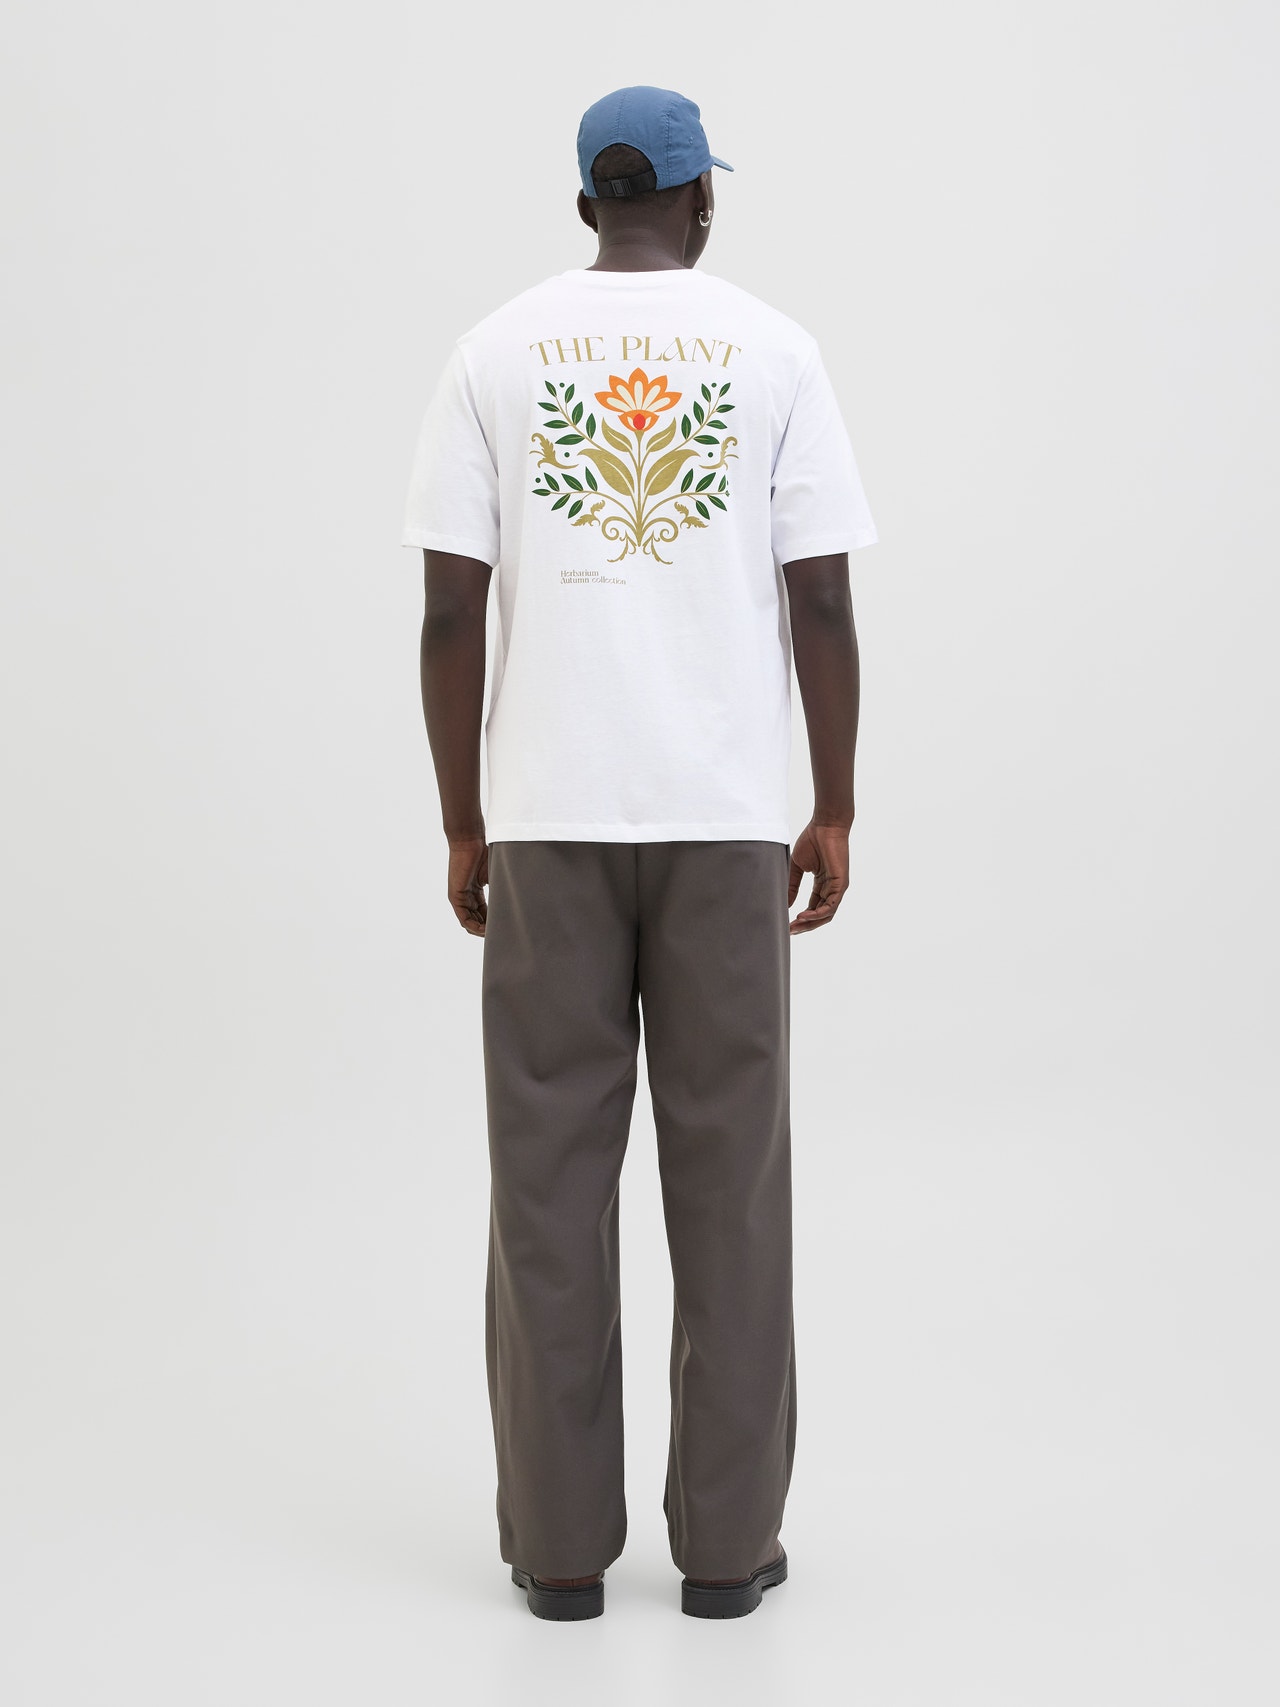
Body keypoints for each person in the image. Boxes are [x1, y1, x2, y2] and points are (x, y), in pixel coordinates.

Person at [400, 85, 878, 1622]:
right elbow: (820, 598)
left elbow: (451, 609)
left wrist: (464, 817)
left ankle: (557, 1553)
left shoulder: (494, 352)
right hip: (725, 818)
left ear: (586, 204)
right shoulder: (775, 351)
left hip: (550, 819)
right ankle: (728, 1554)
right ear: (701, 201)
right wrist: (834, 805)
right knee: (731, 1185)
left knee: (547, 1186)